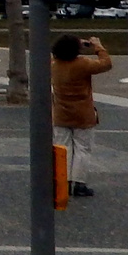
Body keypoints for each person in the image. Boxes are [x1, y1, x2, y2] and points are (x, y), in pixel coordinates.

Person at [52, 34, 114, 197]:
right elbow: (106, 64)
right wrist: (97, 46)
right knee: (82, 149)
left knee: (62, 148)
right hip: (82, 113)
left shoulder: (54, 65)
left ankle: (63, 181)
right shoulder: (83, 64)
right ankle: (79, 183)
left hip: (61, 113)